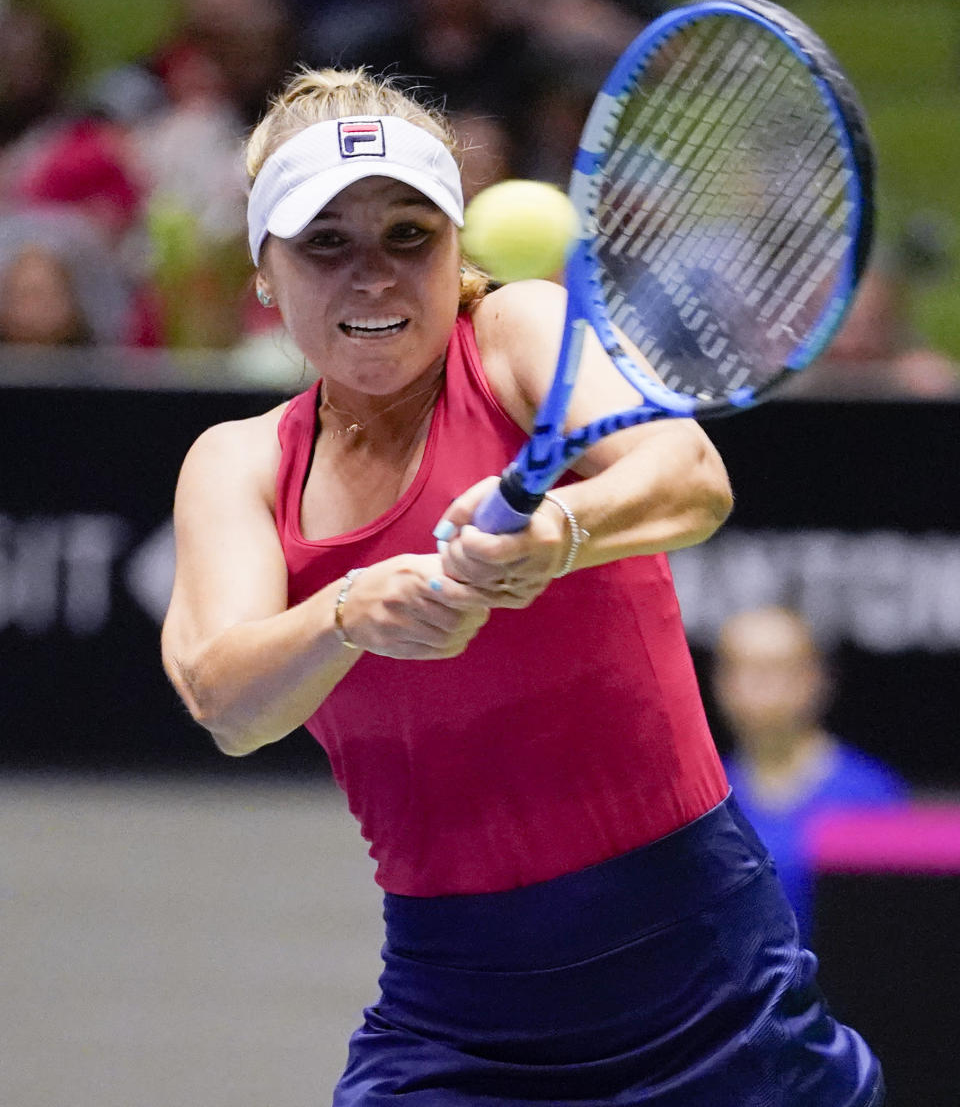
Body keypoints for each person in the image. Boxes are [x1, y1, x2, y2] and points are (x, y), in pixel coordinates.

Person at [161, 66, 886, 1106]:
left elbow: (689, 476)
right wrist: (345, 612)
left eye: (409, 234)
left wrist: (562, 527)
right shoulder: (238, 464)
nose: (373, 276)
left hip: (705, 975)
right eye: (326, 242)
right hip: (454, 1012)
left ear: (458, 251)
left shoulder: (518, 334)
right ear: (266, 273)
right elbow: (227, 702)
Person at [713, 605, 909, 947]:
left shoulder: (872, 796)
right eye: (740, 667)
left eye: (776, 668)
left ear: (815, 678)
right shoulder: (701, 803)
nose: (758, 684)